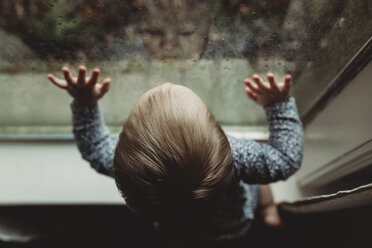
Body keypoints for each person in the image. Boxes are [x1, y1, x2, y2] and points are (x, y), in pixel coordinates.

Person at [47, 66, 303, 247]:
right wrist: (278, 106)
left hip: (182, 239)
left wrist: (85, 104)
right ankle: (269, 212)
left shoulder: (131, 167)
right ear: (218, 133)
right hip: (239, 224)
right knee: (260, 183)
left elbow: (94, 146)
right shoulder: (237, 156)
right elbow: (286, 159)